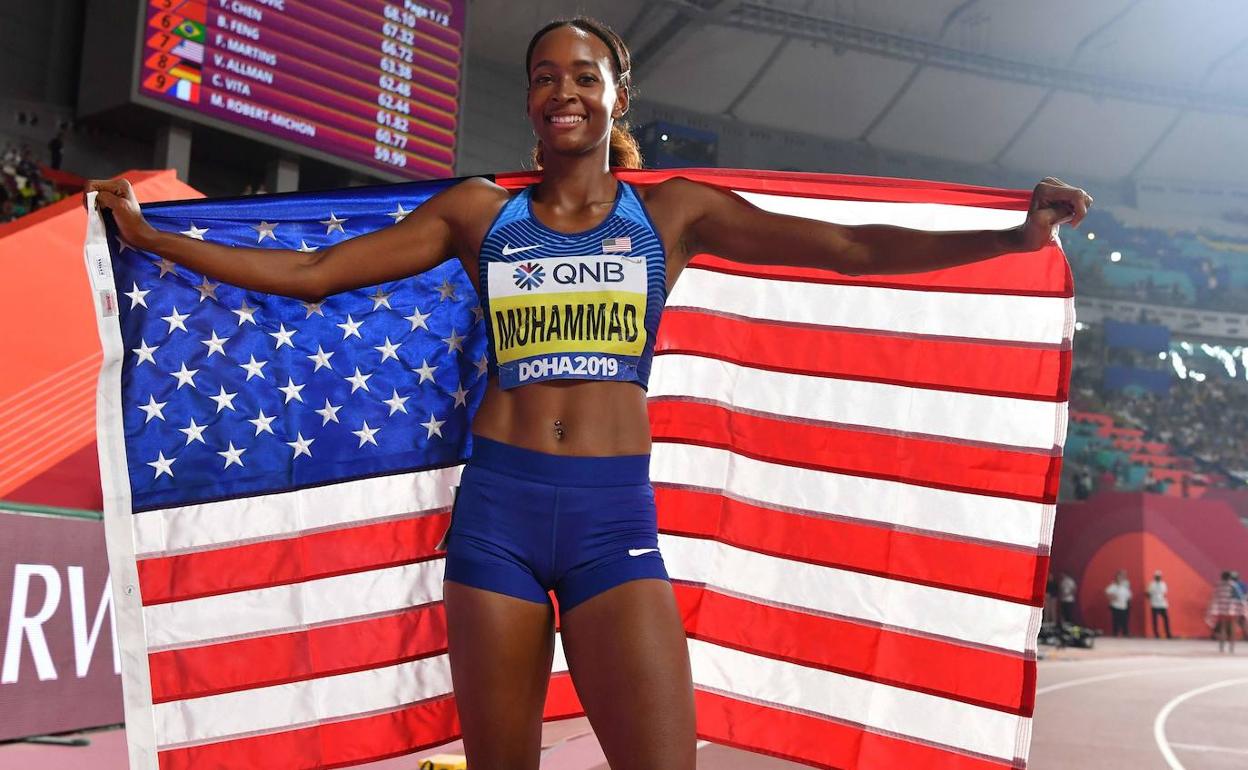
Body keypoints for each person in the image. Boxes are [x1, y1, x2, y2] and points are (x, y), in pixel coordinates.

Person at [85, 16, 1093, 769]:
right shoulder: (477, 213)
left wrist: (1012, 237)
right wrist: (148, 235)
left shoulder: (676, 213)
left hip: (614, 520)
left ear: (618, 95)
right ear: (529, 102)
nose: (561, 91)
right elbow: (314, 275)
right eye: (543, 77)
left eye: (583, 75)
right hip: (498, 517)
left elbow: (847, 248)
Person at [1208, 571, 1246, 654]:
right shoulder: (1233, 585)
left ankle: (1221, 647)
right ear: (1230, 577)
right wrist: (1243, 607)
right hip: (1232, 610)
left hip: (1221, 609)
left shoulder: (1218, 585)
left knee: (1223, 628)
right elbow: (1240, 597)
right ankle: (1231, 648)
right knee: (1232, 628)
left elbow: (1215, 596)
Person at [1106, 570, 1132, 637]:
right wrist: (1112, 597)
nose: (1121, 578)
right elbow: (1107, 593)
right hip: (1116, 605)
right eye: (1119, 576)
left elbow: (1128, 594)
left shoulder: (1125, 585)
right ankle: (1115, 632)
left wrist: (1129, 601)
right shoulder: (1113, 585)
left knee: (1124, 620)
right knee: (1116, 620)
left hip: (1124, 605)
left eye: (1122, 576)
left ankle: (1125, 632)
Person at [1146, 570, 1171, 639]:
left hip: (1163, 604)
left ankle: (1168, 633)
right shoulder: (1151, 584)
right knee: (1155, 620)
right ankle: (1156, 634)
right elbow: (1148, 594)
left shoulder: (1163, 584)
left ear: (1161, 577)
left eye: (1159, 576)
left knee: (1166, 619)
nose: (1158, 577)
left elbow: (1165, 593)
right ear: (1154, 577)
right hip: (1154, 604)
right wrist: (1150, 598)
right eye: (1157, 576)